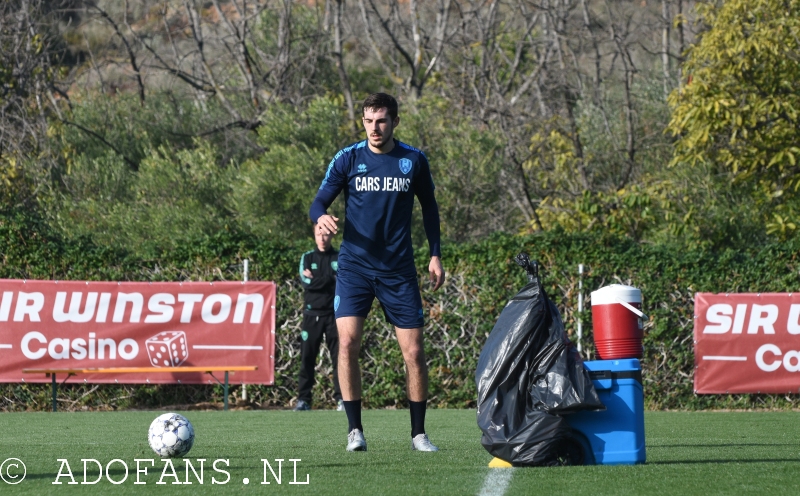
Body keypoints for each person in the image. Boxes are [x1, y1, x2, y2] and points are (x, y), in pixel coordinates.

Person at [309, 92, 445, 452]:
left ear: (395, 122)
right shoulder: (349, 158)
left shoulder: (413, 160)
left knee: (414, 352)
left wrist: (435, 253)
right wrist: (320, 216)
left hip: (398, 271)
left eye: (381, 120)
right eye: (368, 121)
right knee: (348, 343)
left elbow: (430, 208)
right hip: (354, 268)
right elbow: (319, 201)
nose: (374, 128)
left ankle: (418, 434)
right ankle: (355, 430)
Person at [294, 225, 343, 411]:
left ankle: (342, 400)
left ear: (331, 235)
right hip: (311, 315)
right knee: (307, 358)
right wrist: (331, 278)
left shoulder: (339, 257)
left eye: (325, 234)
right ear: (314, 235)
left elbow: (342, 280)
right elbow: (307, 283)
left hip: (334, 316)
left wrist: (319, 279)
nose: (322, 238)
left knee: (339, 359)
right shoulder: (307, 257)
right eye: (319, 234)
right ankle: (304, 400)